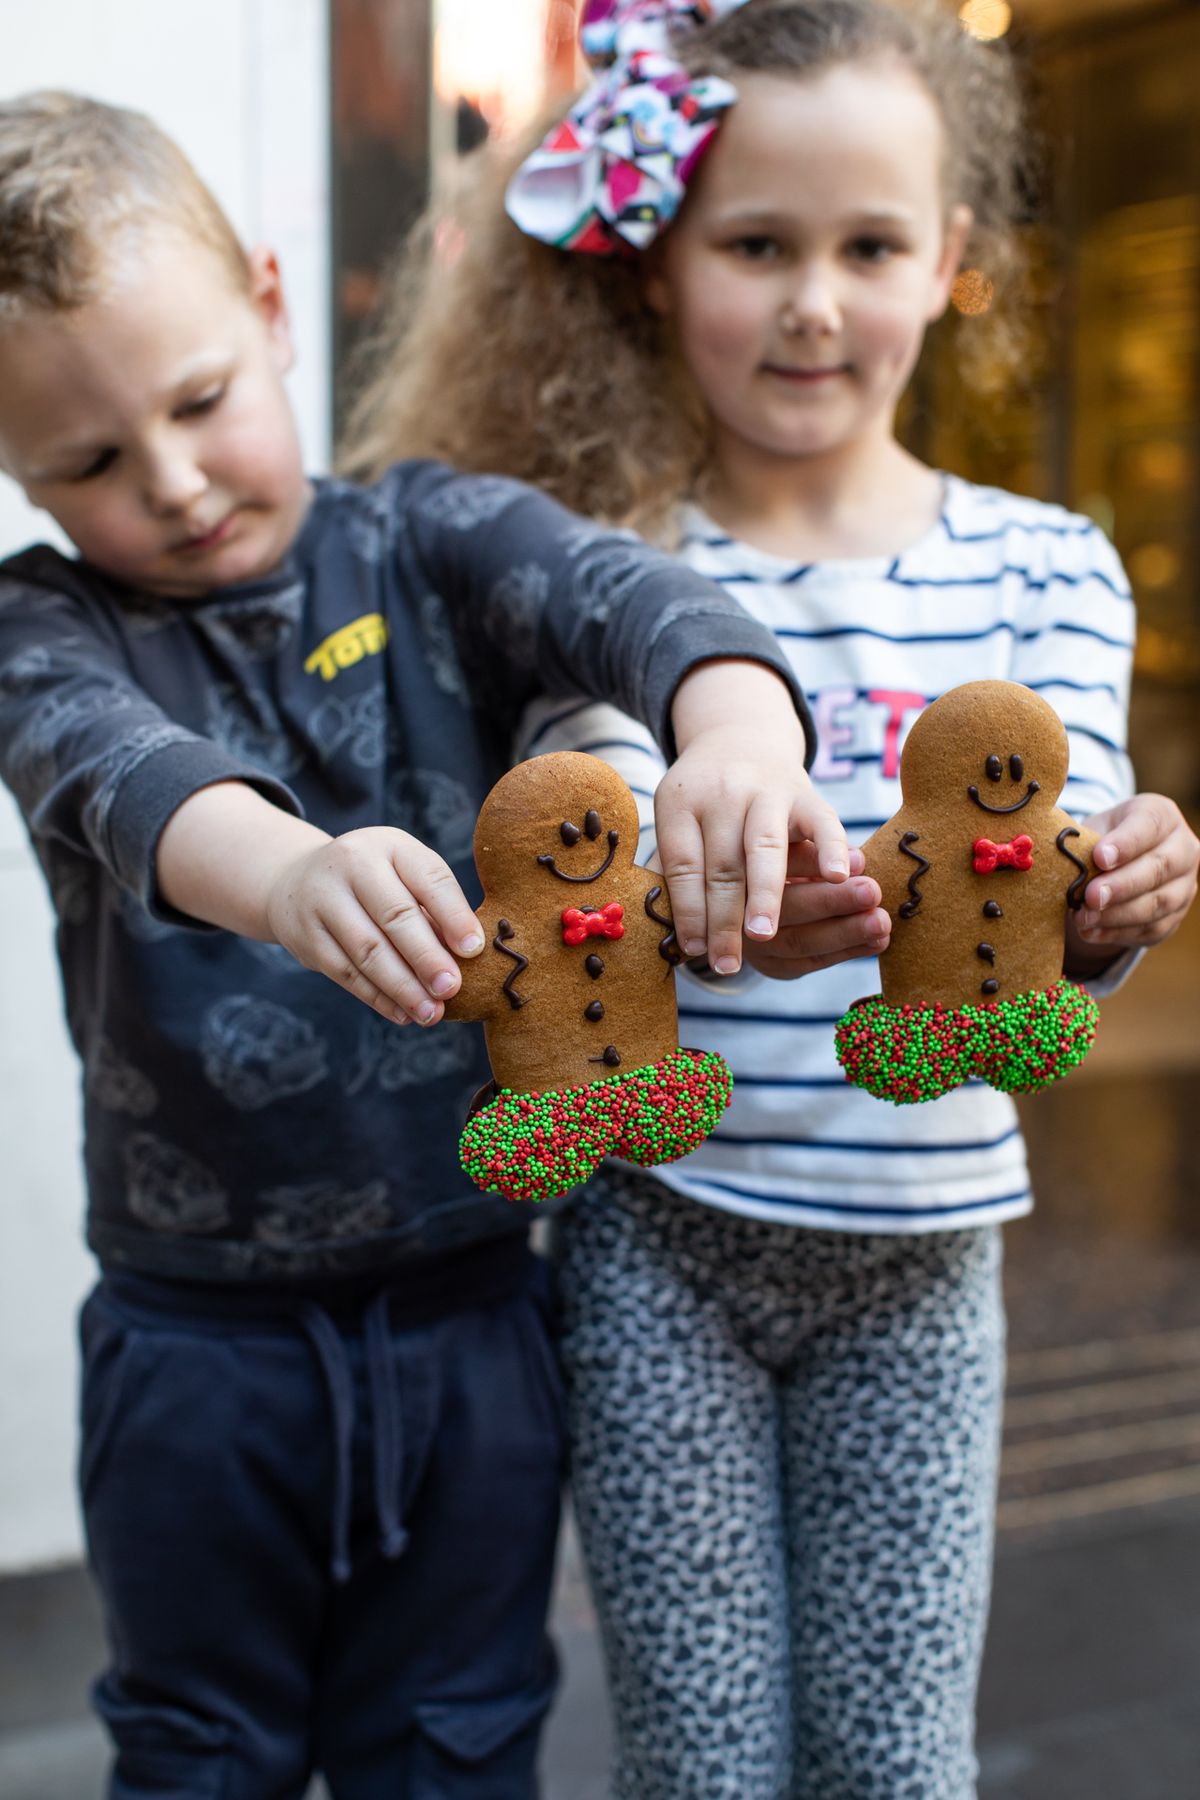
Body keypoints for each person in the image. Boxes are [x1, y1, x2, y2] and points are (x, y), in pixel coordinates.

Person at [342, 2, 1200, 1795]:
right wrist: (694, 880)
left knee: (897, 1757)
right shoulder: (608, 568)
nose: (816, 301)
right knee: (702, 1758)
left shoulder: (1049, 570)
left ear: (952, 258)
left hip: (926, 1261)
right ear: (659, 266)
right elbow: (600, 848)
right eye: (758, 246)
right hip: (666, 1244)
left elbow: (1050, 902)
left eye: (870, 245)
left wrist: (1117, 895)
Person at [0, 89, 851, 1800]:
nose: (169, 483)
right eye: (88, 461)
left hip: (474, 1315)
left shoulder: (426, 532)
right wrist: (289, 875)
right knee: (195, 1748)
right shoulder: (42, 623)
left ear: (267, 304)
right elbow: (124, 777)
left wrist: (740, 728)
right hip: (196, 1354)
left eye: (200, 403)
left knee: (459, 1737)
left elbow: (628, 596)